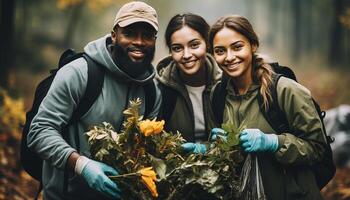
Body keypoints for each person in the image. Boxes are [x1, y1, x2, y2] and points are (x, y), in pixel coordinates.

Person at [27, 1, 161, 199]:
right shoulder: (79, 73)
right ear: (114, 35)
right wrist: (83, 165)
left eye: (147, 35)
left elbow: (145, 149)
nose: (139, 42)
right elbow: (39, 131)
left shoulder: (152, 90)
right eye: (130, 33)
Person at [209, 15, 327, 199]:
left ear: (253, 45)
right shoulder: (218, 95)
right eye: (220, 51)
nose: (229, 57)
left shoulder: (285, 90)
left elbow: (317, 148)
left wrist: (273, 143)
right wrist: (215, 148)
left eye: (237, 47)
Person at [156, 13, 221, 153]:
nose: (186, 55)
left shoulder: (226, 84)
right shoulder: (161, 89)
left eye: (194, 45)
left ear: (208, 43)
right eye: (177, 48)